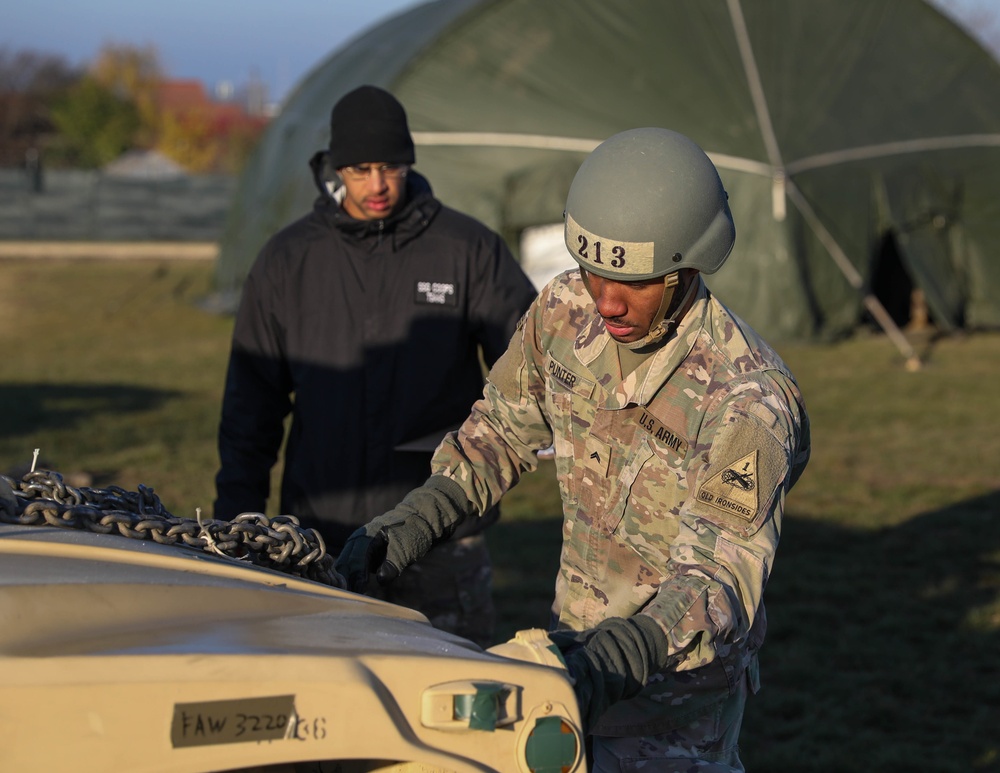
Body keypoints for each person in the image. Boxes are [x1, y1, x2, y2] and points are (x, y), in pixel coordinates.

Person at [336, 127, 811, 770]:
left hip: (670, 715)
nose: (606, 300)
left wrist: (613, 660)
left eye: (637, 282)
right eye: (594, 271)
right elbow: (500, 433)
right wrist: (414, 522)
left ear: (688, 267)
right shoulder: (564, 310)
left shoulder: (747, 400)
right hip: (565, 664)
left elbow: (718, 582)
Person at [214, 85, 537, 647]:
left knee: (453, 700)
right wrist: (234, 518)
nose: (378, 185)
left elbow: (532, 363)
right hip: (318, 532)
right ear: (337, 168)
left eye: (390, 167)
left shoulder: (467, 250)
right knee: (324, 702)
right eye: (361, 169)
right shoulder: (289, 260)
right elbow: (252, 404)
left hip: (440, 533)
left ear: (409, 162)